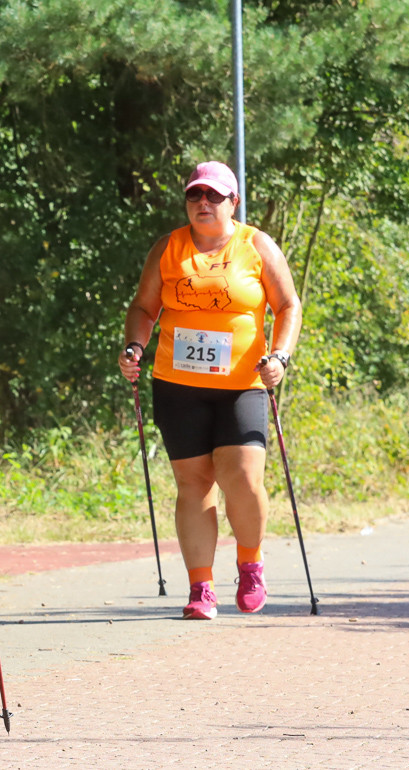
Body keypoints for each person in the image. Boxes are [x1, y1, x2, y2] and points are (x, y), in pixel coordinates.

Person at [119, 160, 302, 621]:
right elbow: (144, 306)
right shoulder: (168, 248)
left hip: (243, 384)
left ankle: (251, 562)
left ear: (233, 202)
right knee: (194, 484)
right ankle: (202, 586)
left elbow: (287, 305)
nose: (203, 203)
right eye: (195, 196)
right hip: (178, 385)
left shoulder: (256, 245)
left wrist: (278, 356)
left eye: (214, 196)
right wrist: (134, 347)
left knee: (242, 477)